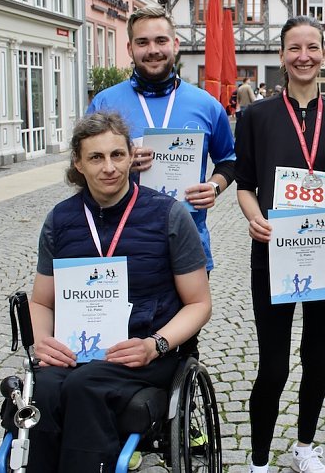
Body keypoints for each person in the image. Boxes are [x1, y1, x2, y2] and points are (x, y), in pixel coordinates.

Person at [26, 111, 212, 472]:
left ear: (131, 157)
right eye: (96, 157)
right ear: (78, 164)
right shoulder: (60, 221)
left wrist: (154, 345)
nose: (109, 167)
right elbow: (41, 301)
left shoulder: (169, 215)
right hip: (78, 351)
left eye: (117, 155)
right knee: (43, 389)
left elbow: (199, 303)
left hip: (145, 354)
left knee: (85, 385)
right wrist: (43, 341)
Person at [236, 16, 325, 473]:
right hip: (274, 254)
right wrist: (255, 218)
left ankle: (305, 446)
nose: (303, 56)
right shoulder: (256, 116)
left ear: (323, 53)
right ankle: (259, 460)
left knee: (316, 355)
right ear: (282, 55)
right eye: (294, 48)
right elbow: (244, 184)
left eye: (312, 47)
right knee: (273, 364)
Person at [88, 6, 235, 275]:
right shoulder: (104, 103)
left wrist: (214, 187)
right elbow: (84, 166)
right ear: (130, 48)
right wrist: (121, 162)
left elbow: (229, 160)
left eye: (161, 40)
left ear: (175, 45)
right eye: (142, 42)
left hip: (188, 244)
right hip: (123, 244)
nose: (153, 50)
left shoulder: (206, 104)